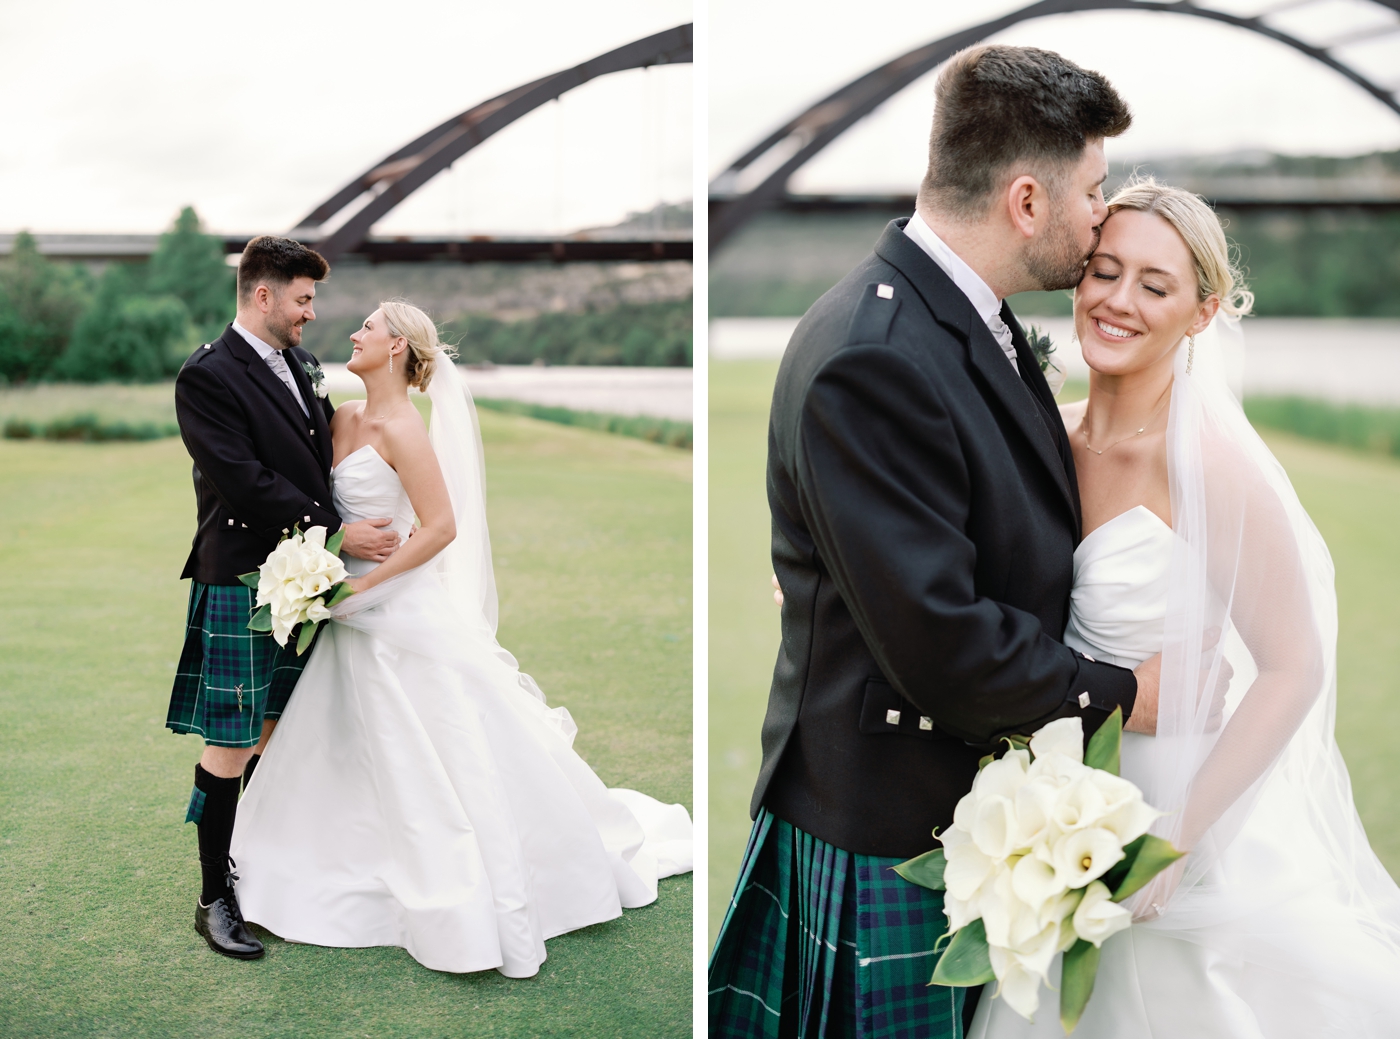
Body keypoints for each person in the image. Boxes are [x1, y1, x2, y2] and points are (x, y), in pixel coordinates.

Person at [710, 45, 1152, 1038]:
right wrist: (1120, 693)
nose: (1099, 216)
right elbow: (940, 641)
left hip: (947, 803)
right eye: (1090, 191)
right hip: (884, 817)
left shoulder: (956, 320)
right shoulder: (877, 354)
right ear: (1026, 201)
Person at [968, 180, 1400, 1036]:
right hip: (1051, 798)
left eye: (1154, 286)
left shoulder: (1207, 466)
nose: (1117, 301)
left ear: (1202, 314)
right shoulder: (1044, 434)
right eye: (1103, 271)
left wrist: (1179, 838)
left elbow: (1293, 667)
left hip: (1177, 795)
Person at [228, 300, 693, 977]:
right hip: (340, 598)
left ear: (395, 348)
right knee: (342, 738)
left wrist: (361, 586)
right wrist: (322, 564)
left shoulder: (403, 429)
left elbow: (441, 527)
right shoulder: (344, 416)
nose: (354, 333)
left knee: (434, 739)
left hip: (384, 603)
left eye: (368, 327)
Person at [169, 236, 400, 960]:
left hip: (305, 581)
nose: (311, 313)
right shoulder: (207, 376)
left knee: (277, 729)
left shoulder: (300, 364)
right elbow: (242, 480)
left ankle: (257, 868)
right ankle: (214, 896)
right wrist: (339, 532)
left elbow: (316, 461)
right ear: (262, 295)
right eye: (302, 299)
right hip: (242, 577)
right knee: (232, 741)